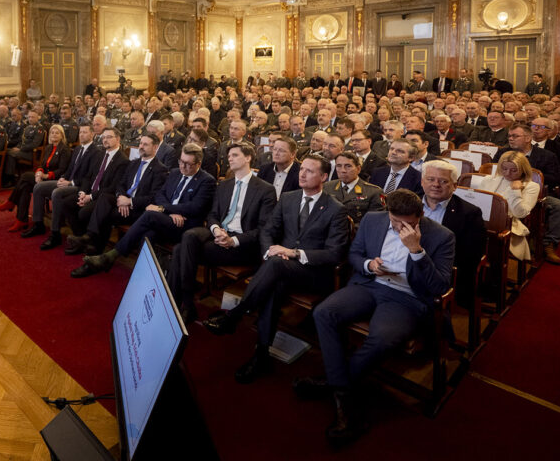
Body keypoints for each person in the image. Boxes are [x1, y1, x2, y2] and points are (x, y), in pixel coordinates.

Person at [305, 189, 455, 444]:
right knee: (324, 312)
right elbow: (354, 254)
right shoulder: (374, 220)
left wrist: (416, 250)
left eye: (408, 222)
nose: (400, 227)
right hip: (370, 284)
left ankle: (335, 385)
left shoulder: (442, 236)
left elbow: (440, 286)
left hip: (406, 297)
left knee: (383, 338)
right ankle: (342, 388)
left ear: (420, 216)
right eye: (395, 221)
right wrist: (368, 265)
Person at [203, 155, 349, 382]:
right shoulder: (289, 198)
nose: (302, 174)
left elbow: (335, 253)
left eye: (310, 171)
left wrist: (294, 253)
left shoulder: (335, 209)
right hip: (280, 266)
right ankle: (261, 354)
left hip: (313, 272)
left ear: (323, 177)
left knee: (277, 266)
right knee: (274, 283)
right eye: (302, 170)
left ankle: (236, 315)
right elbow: (268, 230)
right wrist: (269, 250)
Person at [166, 142, 278, 324]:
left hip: (242, 244)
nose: (229, 159)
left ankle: (182, 304)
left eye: (235, 155)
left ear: (248, 157)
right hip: (219, 233)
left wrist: (233, 240)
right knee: (189, 236)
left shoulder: (265, 189)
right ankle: (185, 304)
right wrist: (216, 229)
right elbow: (213, 215)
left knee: (180, 250)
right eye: (229, 156)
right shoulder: (224, 185)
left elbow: (264, 229)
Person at [72, 143, 215, 276]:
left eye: (188, 164)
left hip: (184, 225)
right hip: (166, 219)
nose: (183, 166)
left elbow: (195, 207)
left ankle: (110, 256)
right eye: (181, 161)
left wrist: (162, 209)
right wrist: (169, 211)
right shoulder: (175, 172)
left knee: (150, 215)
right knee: (147, 234)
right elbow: (161, 194)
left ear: (198, 164)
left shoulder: (206, 180)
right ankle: (142, 274)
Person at [67, 133, 168, 266]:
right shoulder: (134, 163)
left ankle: (95, 249)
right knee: (104, 199)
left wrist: (130, 202)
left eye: (145, 144)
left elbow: (154, 197)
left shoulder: (160, 169)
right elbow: (121, 184)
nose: (141, 147)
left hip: (138, 208)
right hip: (123, 200)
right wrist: (122, 197)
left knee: (107, 213)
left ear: (155, 147)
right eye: (141, 143)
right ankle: (90, 239)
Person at [418, 161, 486, 307]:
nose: (436, 185)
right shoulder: (410, 203)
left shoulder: (469, 213)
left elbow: (469, 256)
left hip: (441, 271)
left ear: (455, 186)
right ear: (422, 182)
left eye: (443, 181)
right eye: (430, 179)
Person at [29, 124, 102, 245]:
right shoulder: (78, 149)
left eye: (85, 132)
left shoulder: (96, 152)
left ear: (92, 134)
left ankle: (55, 233)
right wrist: (63, 178)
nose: (81, 135)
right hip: (68, 181)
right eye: (80, 132)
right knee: (38, 187)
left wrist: (71, 182)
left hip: (79, 186)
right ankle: (38, 224)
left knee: (57, 193)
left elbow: (89, 176)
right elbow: (69, 170)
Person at [0, 124, 69, 230]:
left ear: (62, 135)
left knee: (25, 176)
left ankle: (11, 202)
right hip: (43, 178)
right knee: (25, 187)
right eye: (52, 132)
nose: (54, 134)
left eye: (57, 133)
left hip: (55, 181)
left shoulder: (64, 150)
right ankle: (21, 220)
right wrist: (39, 173)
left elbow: (62, 170)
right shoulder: (49, 148)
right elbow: (42, 165)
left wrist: (45, 175)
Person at [474, 151, 542, 262]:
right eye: (504, 169)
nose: (507, 173)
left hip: (508, 225)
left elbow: (520, 213)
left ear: (523, 170)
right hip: (483, 219)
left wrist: (515, 191)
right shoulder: (489, 179)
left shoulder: (531, 186)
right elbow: (478, 202)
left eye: (514, 170)